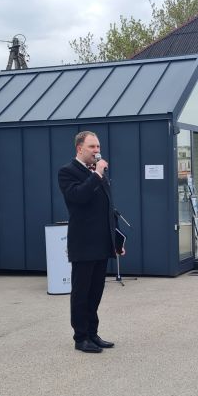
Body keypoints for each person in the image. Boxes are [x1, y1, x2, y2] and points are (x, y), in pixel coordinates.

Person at [58, 131, 125, 353]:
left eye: (98, 146)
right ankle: (80, 337)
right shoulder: (68, 172)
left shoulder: (99, 174)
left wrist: (116, 239)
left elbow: (108, 208)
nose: (97, 150)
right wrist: (96, 175)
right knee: (81, 292)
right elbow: (78, 197)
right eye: (92, 147)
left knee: (96, 291)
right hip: (83, 243)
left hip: (102, 242)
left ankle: (93, 334)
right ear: (79, 148)